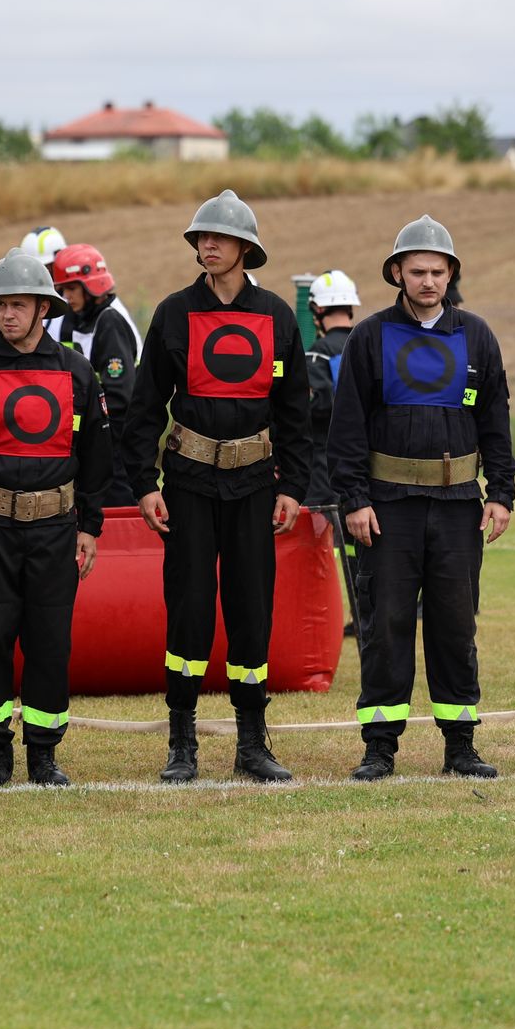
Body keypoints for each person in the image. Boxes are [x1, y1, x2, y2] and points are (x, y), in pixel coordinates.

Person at [118, 190, 312, 785]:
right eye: (202, 237)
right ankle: (182, 743)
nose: (208, 245)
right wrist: (144, 485)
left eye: (220, 238)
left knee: (252, 611)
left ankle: (252, 744)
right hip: (188, 484)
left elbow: (295, 411)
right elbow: (144, 407)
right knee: (190, 609)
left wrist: (293, 485)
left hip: (256, 486)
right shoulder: (173, 313)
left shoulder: (278, 316)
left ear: (245, 248)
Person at [329, 215, 515, 783]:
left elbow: (495, 421)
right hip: (386, 509)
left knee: (454, 626)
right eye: (417, 272)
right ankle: (379, 747)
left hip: (458, 506)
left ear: (451, 273)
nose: (428, 281)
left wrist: (501, 492)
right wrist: (354, 500)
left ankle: (461, 745)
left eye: (437, 271)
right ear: (397, 274)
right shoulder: (368, 337)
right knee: (385, 625)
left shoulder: (477, 336)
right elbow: (346, 428)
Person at [0, 249, 112, 788]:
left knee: (49, 641)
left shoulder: (77, 372)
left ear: (43, 308)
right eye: (0, 305)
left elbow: (96, 457)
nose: (7, 314)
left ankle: (43, 753)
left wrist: (90, 527)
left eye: (18, 305)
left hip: (55, 531)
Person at [300, 269, 376, 646]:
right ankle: (365, 617)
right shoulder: (370, 347)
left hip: (321, 471)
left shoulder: (316, 353)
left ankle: (321, 622)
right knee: (362, 548)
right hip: (368, 469)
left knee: (318, 552)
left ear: (317, 311)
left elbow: (312, 410)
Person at [51, 243, 141, 508]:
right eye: (62, 289)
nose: (66, 296)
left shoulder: (110, 322)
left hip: (116, 443)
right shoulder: (79, 318)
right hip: (94, 440)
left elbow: (119, 399)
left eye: (71, 288)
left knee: (117, 514)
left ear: (91, 286)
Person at [19, 225, 70, 343]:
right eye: (33, 270)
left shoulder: (77, 305)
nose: (40, 276)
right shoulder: (25, 308)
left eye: (46, 269)